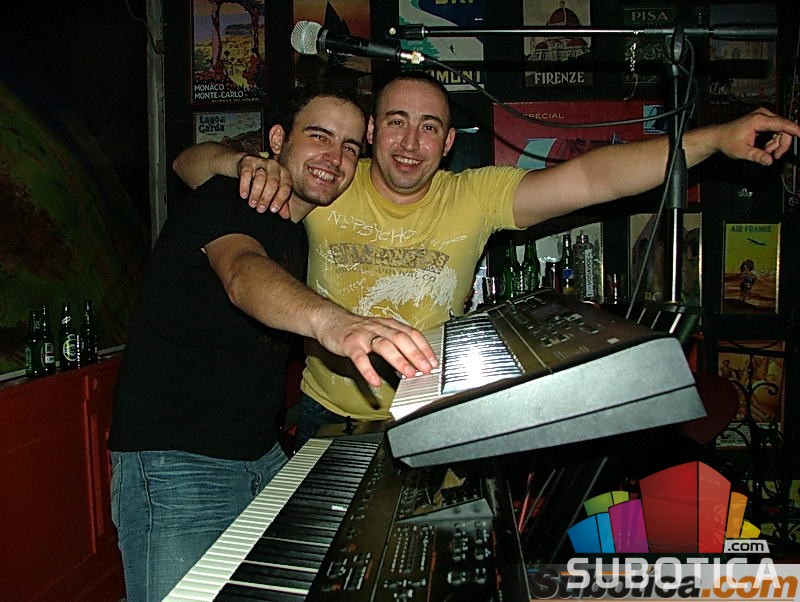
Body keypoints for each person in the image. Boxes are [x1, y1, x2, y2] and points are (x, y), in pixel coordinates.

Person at [173, 70, 800, 448]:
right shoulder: (331, 177)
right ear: (372, 132)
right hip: (325, 416)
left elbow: (593, 178)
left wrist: (714, 139)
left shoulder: (474, 195)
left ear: (448, 142)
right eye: (396, 122)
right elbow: (190, 165)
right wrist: (242, 162)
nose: (410, 142)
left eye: (429, 127)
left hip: (432, 414)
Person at [108, 85, 437, 602]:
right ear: (279, 140)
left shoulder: (298, 227)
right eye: (319, 136)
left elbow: (189, 161)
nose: (334, 157)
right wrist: (335, 323)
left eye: (350, 147)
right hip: (177, 466)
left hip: (259, 457)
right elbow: (243, 273)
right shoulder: (229, 199)